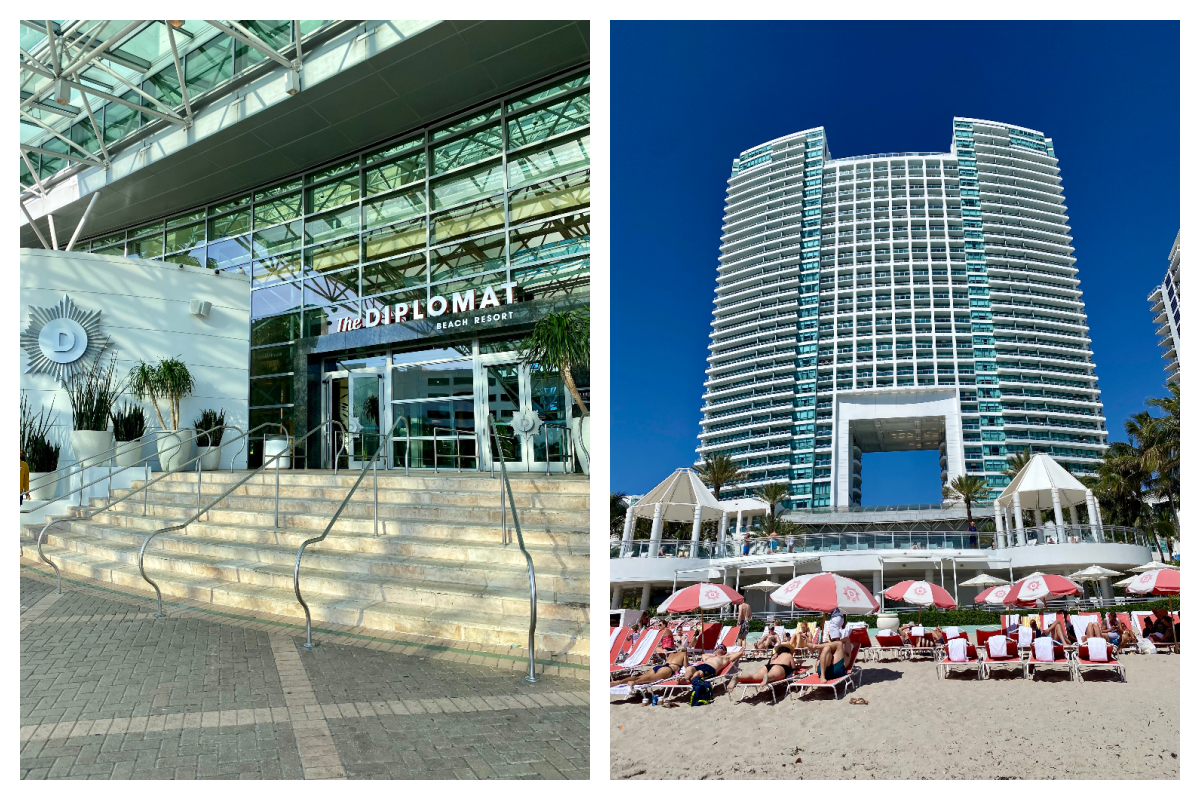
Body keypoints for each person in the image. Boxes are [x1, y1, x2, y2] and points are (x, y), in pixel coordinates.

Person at [730, 643, 796, 690]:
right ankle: (768, 677)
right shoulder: (788, 655)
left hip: (767, 667)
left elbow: (770, 663)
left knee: (754, 676)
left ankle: (739, 678)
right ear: (788, 650)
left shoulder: (775, 655)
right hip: (779, 667)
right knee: (772, 674)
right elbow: (794, 670)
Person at [610, 651, 688, 688]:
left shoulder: (671, 654)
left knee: (640, 676)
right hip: (669, 668)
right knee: (652, 679)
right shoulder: (683, 653)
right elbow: (686, 666)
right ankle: (633, 682)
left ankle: (620, 681)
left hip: (659, 667)